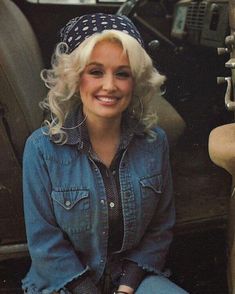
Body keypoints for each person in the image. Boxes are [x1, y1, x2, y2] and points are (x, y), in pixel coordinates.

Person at [22, 13, 188, 294]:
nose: (109, 86)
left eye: (122, 73)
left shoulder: (154, 142)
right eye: (96, 72)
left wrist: (126, 287)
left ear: (135, 81)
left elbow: (160, 228)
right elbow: (44, 243)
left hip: (133, 280)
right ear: (76, 78)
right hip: (65, 284)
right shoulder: (41, 149)